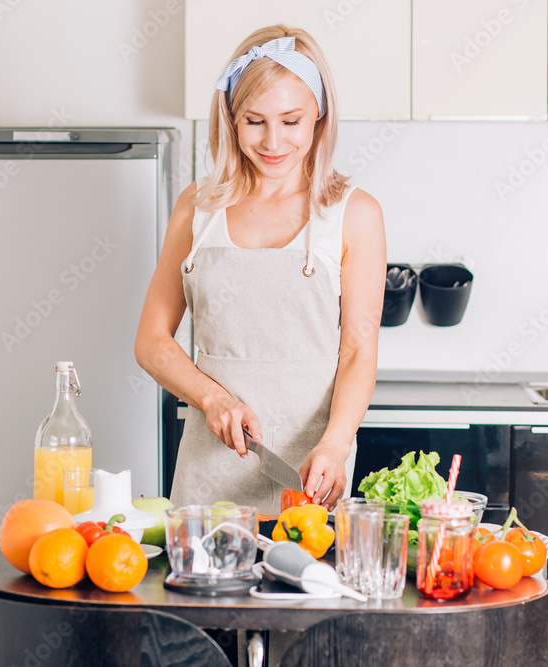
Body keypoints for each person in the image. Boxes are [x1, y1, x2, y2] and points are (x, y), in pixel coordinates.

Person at [135, 24, 386, 514]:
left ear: (320, 117)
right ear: (230, 118)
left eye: (292, 121)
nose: (273, 142)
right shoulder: (197, 208)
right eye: (254, 121)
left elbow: (358, 350)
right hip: (208, 472)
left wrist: (335, 446)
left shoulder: (354, 214)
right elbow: (151, 342)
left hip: (313, 472)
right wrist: (213, 400)